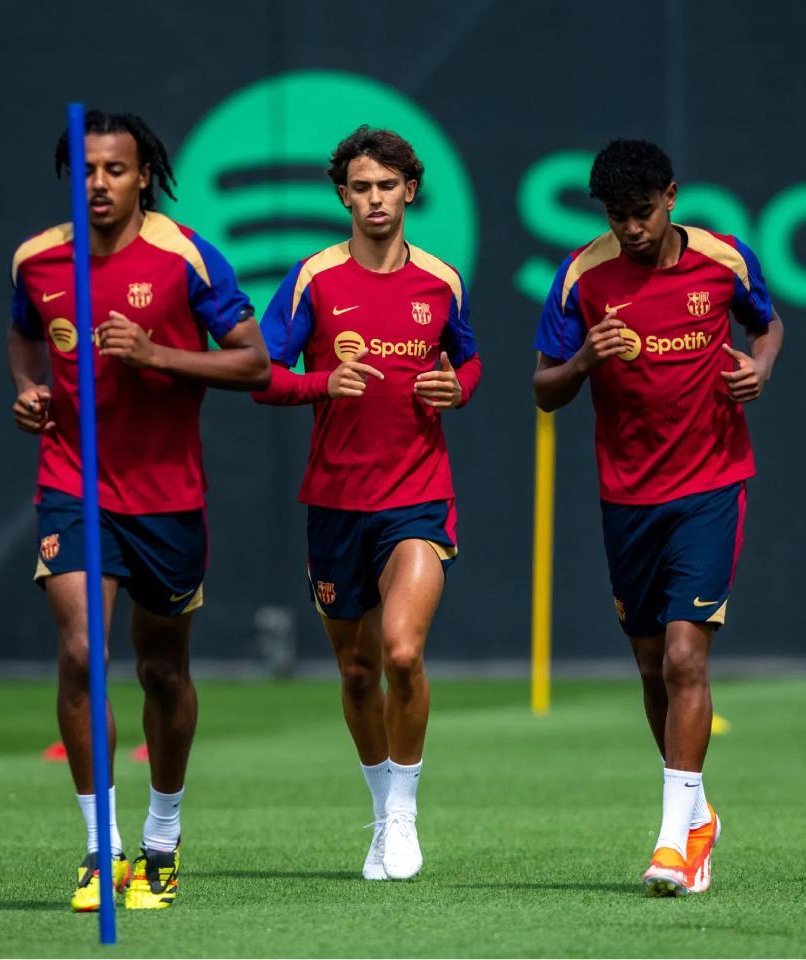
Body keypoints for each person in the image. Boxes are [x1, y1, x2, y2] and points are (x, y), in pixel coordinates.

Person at [9, 109, 268, 911]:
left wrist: (156, 354)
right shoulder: (38, 260)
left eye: (114, 170)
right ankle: (99, 849)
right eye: (85, 170)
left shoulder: (186, 256)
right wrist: (28, 388)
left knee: (162, 669)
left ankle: (161, 835)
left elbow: (254, 362)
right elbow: (26, 335)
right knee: (84, 651)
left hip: (166, 495)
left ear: (143, 175)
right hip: (74, 483)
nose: (98, 184)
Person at [531, 139, 782, 896]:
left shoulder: (724, 259)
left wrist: (758, 369)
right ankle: (698, 814)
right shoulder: (582, 275)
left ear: (671, 196)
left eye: (642, 212)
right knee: (650, 667)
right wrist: (584, 362)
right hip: (627, 493)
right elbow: (543, 389)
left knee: (684, 658)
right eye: (617, 215)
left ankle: (672, 841)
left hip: (711, 484)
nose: (631, 228)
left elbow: (766, 325)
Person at [252, 125, 481, 881]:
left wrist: (459, 386)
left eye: (388, 185)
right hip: (335, 501)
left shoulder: (440, 281)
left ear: (409, 191)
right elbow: (262, 372)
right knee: (356, 671)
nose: (375, 199)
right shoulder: (314, 279)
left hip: (417, 496)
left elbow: (469, 358)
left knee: (403, 652)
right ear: (343, 195)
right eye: (361, 187)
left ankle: (404, 817)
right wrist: (321, 383)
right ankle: (379, 810)